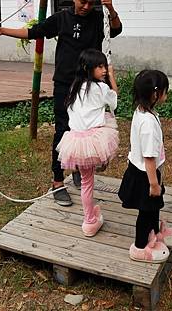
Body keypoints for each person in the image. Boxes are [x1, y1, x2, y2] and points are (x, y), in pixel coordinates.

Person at [0, 0, 122, 206]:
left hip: (89, 86)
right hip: (64, 85)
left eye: (91, 3)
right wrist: (3, 31)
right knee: (63, 130)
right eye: (83, 2)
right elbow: (34, 32)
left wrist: (110, 8)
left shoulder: (99, 18)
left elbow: (116, 29)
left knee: (88, 130)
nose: (86, 7)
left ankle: (80, 169)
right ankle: (58, 181)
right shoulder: (62, 19)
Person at [118, 69, 172, 262]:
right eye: (165, 91)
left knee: (153, 207)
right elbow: (149, 158)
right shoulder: (148, 124)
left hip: (147, 173)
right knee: (145, 212)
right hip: (146, 175)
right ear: (155, 94)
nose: (166, 94)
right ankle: (139, 247)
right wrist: (154, 184)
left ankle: (155, 233)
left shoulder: (143, 111)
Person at [56, 49, 119, 236]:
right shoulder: (101, 88)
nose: (104, 70)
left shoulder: (76, 87)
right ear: (87, 68)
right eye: (100, 67)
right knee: (88, 182)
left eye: (104, 66)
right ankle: (90, 221)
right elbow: (114, 101)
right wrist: (112, 78)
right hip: (93, 140)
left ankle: (90, 216)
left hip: (76, 139)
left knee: (86, 182)